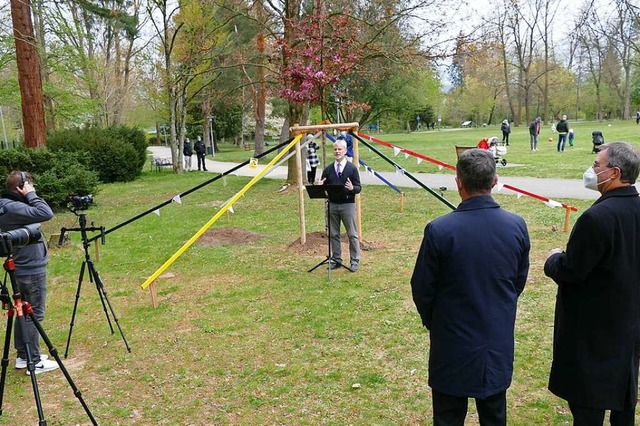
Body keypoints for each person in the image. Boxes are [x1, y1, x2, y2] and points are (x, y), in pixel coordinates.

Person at [411, 149, 530, 426]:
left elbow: (422, 288)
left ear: (458, 183)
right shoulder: (515, 226)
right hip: (490, 335)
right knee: (492, 415)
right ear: (494, 181)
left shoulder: (441, 230)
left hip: (455, 337)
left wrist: (435, 320)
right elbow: (517, 281)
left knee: (451, 416)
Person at [544, 142, 640, 426]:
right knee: (624, 399)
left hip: (594, 331)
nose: (592, 170)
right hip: (629, 323)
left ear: (614, 172)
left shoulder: (596, 218)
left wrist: (553, 260)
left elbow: (573, 270)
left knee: (588, 408)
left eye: (597, 165)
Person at [0, 171, 59, 375]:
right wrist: (31, 195)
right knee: (34, 314)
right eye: (29, 185)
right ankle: (34, 361)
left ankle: (24, 357)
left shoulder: (6, 205)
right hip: (30, 269)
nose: (32, 188)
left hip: (20, 266)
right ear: (21, 187)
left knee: (22, 312)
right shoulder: (14, 206)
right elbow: (46, 212)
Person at [318, 139, 361, 272]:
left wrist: (353, 187)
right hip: (332, 205)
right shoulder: (328, 169)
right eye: (335, 149)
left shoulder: (352, 168)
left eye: (339, 149)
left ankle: (354, 260)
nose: (337, 152)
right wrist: (320, 186)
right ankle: (336, 259)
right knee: (334, 234)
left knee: (352, 234)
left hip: (347, 205)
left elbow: (359, 187)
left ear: (345, 151)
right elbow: (323, 187)